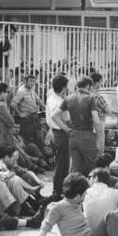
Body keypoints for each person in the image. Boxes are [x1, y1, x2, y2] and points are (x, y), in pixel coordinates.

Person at [51, 76, 100, 177]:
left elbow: (54, 116)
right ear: (87, 86)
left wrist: (67, 129)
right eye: (91, 87)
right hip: (87, 136)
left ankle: (73, 191)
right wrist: (98, 133)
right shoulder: (90, 98)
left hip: (73, 137)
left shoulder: (68, 98)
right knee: (93, 167)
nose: (91, 90)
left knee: (76, 169)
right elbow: (96, 120)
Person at [45, 74, 71, 202]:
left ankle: (59, 190)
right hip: (61, 134)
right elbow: (67, 119)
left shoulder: (51, 98)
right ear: (64, 87)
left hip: (54, 132)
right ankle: (57, 191)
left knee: (60, 164)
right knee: (62, 165)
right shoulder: (60, 102)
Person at [11, 74, 46, 152]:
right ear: (25, 81)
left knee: (38, 137)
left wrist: (46, 108)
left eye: (33, 81)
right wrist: (20, 114)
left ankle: (42, 156)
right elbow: (13, 104)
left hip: (34, 117)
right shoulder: (21, 91)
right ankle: (34, 158)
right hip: (27, 119)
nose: (32, 83)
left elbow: (38, 99)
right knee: (28, 139)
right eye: (30, 81)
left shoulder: (31, 90)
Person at [90, 72, 109, 154]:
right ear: (98, 82)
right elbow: (107, 110)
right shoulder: (98, 96)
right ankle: (99, 159)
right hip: (100, 121)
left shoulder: (88, 94)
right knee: (100, 142)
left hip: (90, 121)